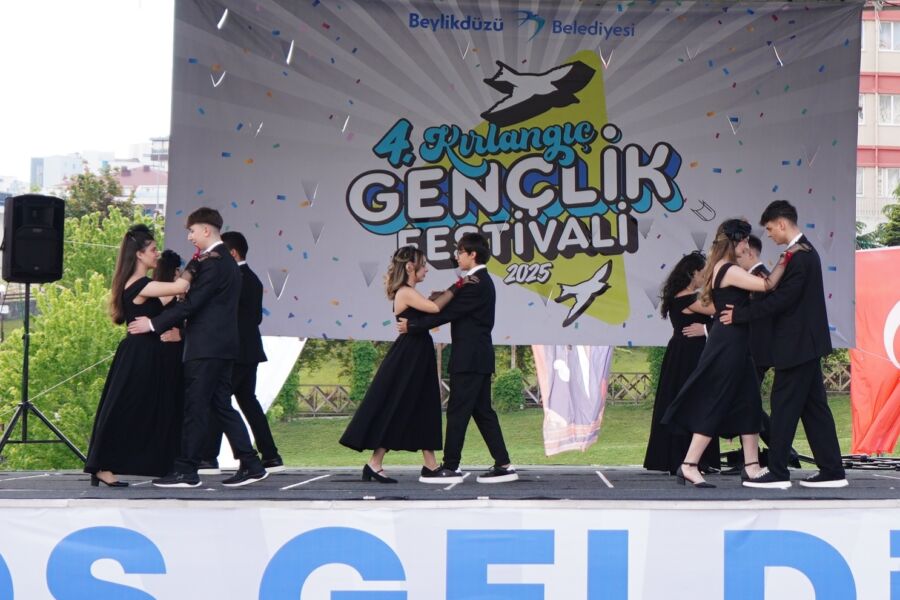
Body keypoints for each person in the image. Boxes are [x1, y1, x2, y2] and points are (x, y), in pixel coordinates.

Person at [128, 207, 268, 488]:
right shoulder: (222, 261)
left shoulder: (215, 263)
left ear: (206, 230)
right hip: (220, 346)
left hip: (207, 346)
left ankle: (187, 470)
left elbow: (192, 303)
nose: (190, 237)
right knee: (220, 405)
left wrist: (153, 324)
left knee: (196, 406)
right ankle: (251, 463)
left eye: (192, 231)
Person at [721, 200, 848, 489]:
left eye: (769, 229)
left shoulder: (801, 256)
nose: (768, 235)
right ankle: (832, 470)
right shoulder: (799, 253)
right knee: (814, 410)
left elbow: (782, 300)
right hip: (804, 345)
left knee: (783, 407)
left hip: (797, 346)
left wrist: (740, 315)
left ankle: (778, 471)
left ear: (781, 223)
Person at [661, 218, 792, 488]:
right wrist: (784, 259)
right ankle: (689, 464)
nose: (746, 245)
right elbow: (767, 285)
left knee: (749, 402)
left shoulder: (726, 267)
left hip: (739, 341)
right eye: (743, 240)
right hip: (728, 342)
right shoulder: (728, 268)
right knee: (717, 399)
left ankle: (752, 465)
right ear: (735, 242)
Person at [397, 233, 517, 484]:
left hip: (470, 358)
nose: (457, 256)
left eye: (460, 252)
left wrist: (413, 325)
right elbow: (449, 306)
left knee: (458, 412)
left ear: (473, 254)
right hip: (477, 357)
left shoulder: (476, 283)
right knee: (482, 412)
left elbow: (446, 313)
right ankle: (504, 464)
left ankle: (451, 466)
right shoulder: (477, 281)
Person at [340, 246, 463, 483]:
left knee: (422, 405)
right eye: (423, 265)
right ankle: (377, 463)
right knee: (400, 404)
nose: (426, 269)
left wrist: (440, 295)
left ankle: (426, 464)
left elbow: (429, 311)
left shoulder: (411, 293)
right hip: (410, 354)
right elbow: (435, 309)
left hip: (418, 352)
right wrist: (457, 286)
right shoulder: (405, 292)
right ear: (409, 267)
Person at [84, 226, 190, 487]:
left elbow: (166, 300)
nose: (157, 254)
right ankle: (102, 465)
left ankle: (133, 463)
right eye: (153, 250)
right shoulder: (141, 284)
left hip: (145, 353)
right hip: (140, 354)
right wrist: (197, 263)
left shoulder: (139, 285)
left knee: (143, 408)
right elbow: (181, 284)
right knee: (127, 407)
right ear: (140, 255)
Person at [199, 231, 283, 474]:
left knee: (219, 401)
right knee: (248, 402)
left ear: (233, 253)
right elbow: (255, 318)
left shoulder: (233, 278)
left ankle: (209, 457)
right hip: (249, 350)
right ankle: (270, 455)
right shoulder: (252, 279)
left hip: (234, 351)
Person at [643, 251, 719, 475]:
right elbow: (720, 311)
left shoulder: (682, 296)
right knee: (692, 403)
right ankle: (688, 459)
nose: (705, 277)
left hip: (684, 353)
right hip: (688, 355)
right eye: (703, 273)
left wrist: (705, 329)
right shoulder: (688, 298)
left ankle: (694, 459)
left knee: (689, 402)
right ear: (693, 273)